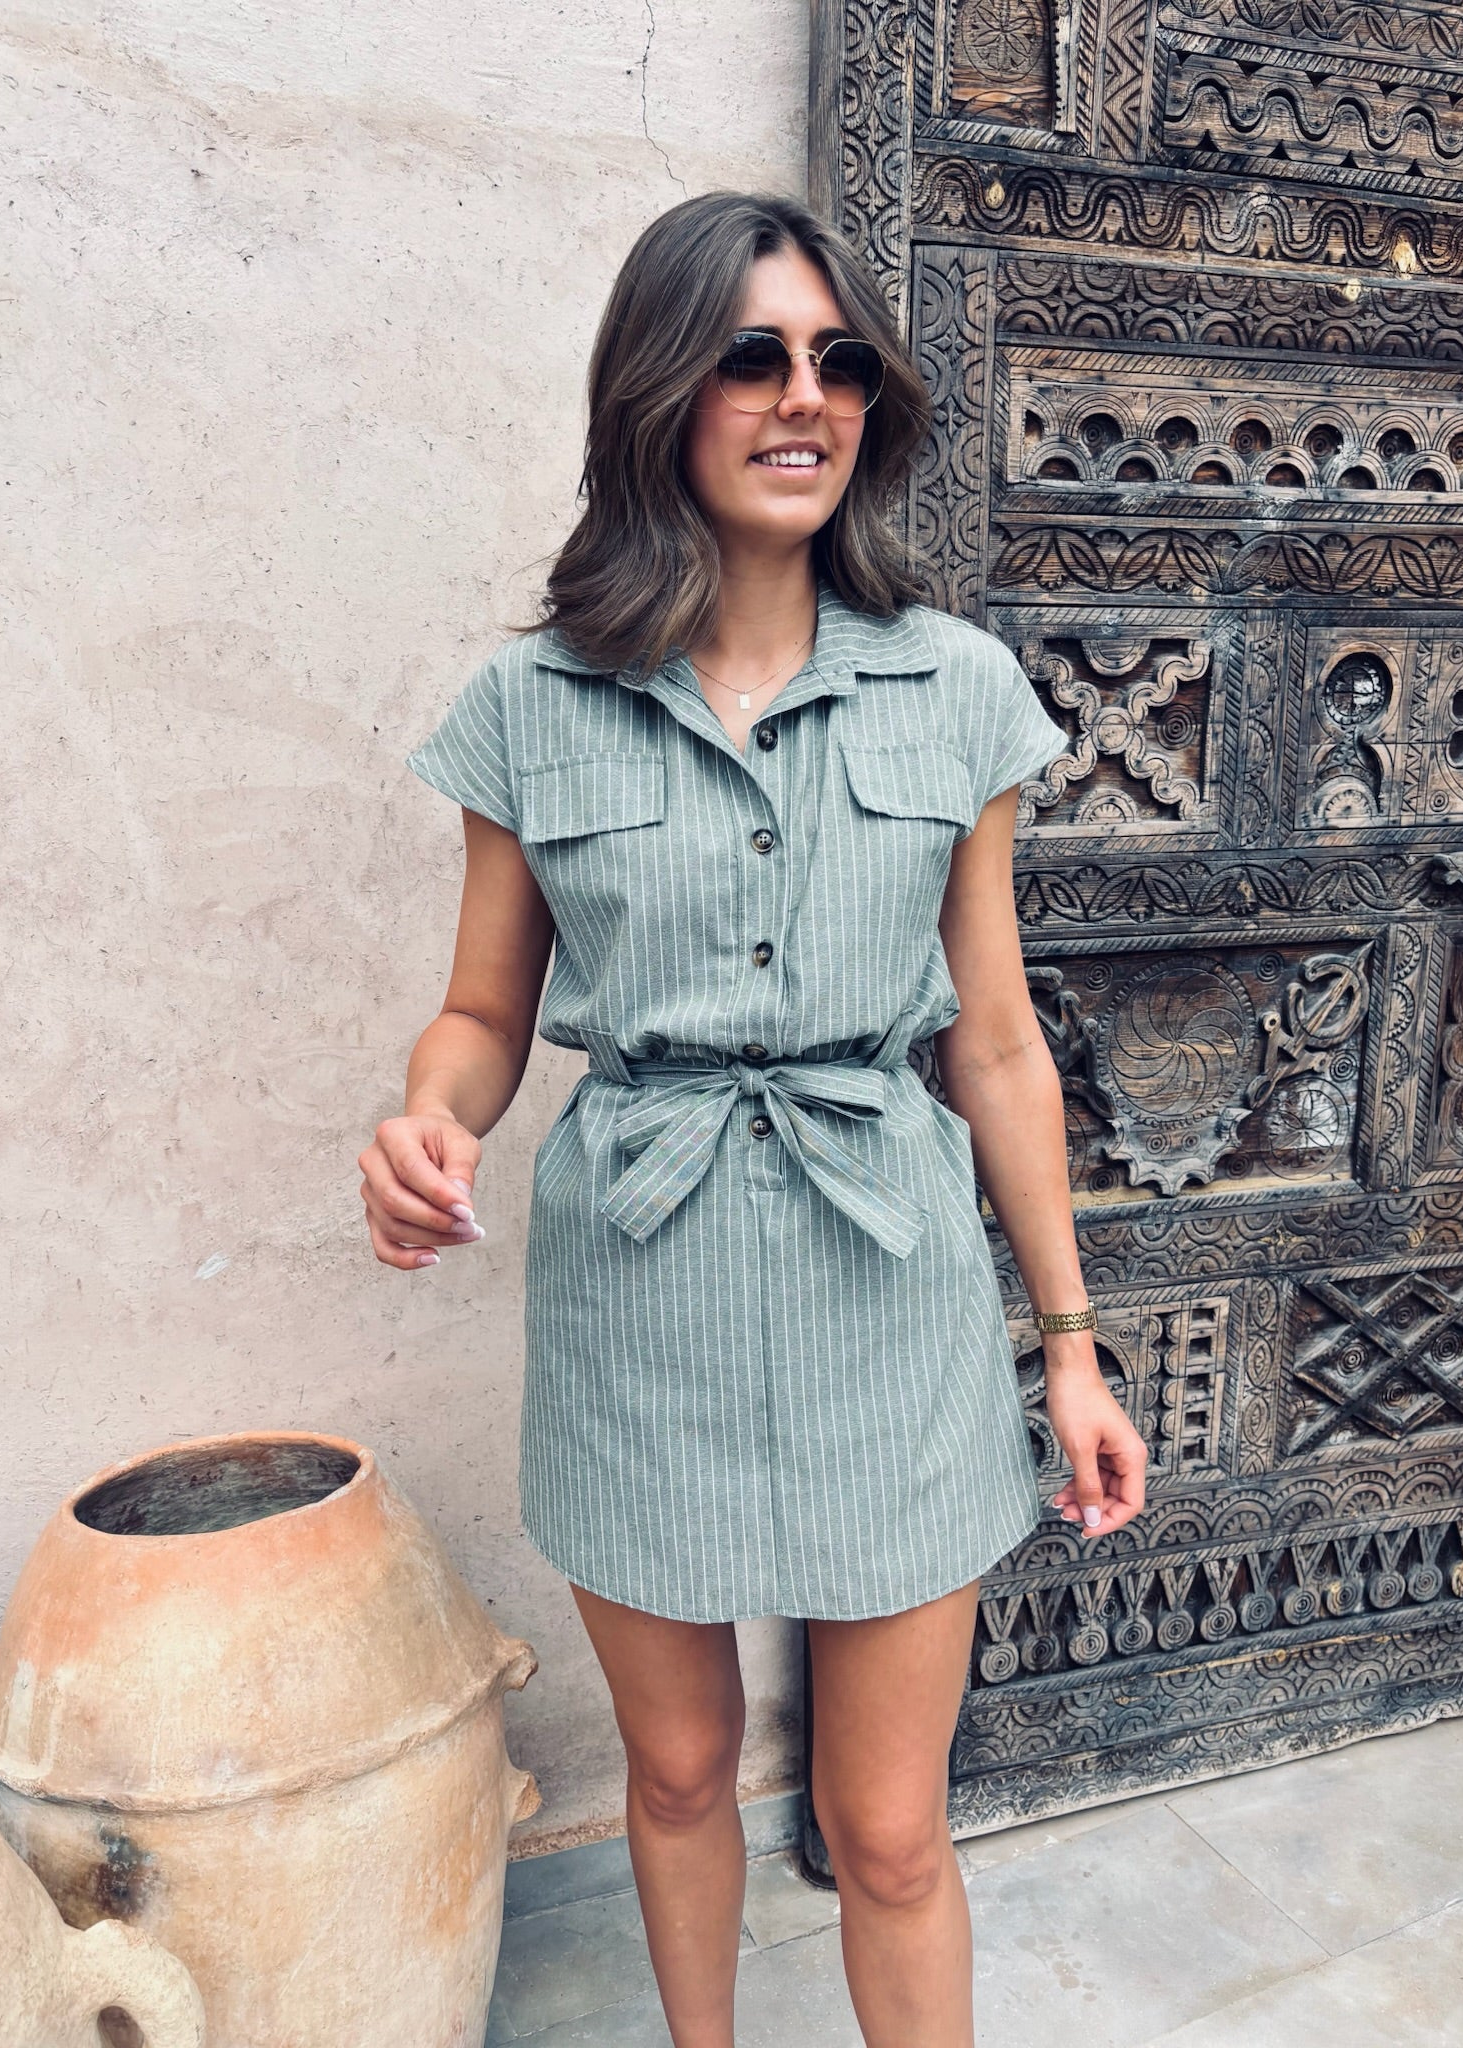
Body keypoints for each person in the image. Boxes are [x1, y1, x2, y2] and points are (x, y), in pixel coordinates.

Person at [359, 191, 1148, 2048]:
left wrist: (1072, 1347)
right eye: (752, 357)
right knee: (681, 1768)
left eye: (839, 361)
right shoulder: (532, 703)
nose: (808, 397)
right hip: (640, 1288)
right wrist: (426, 1122)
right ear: (659, 391)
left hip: (893, 1290)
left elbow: (998, 1045)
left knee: (888, 1831)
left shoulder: (956, 689)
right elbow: (484, 1015)